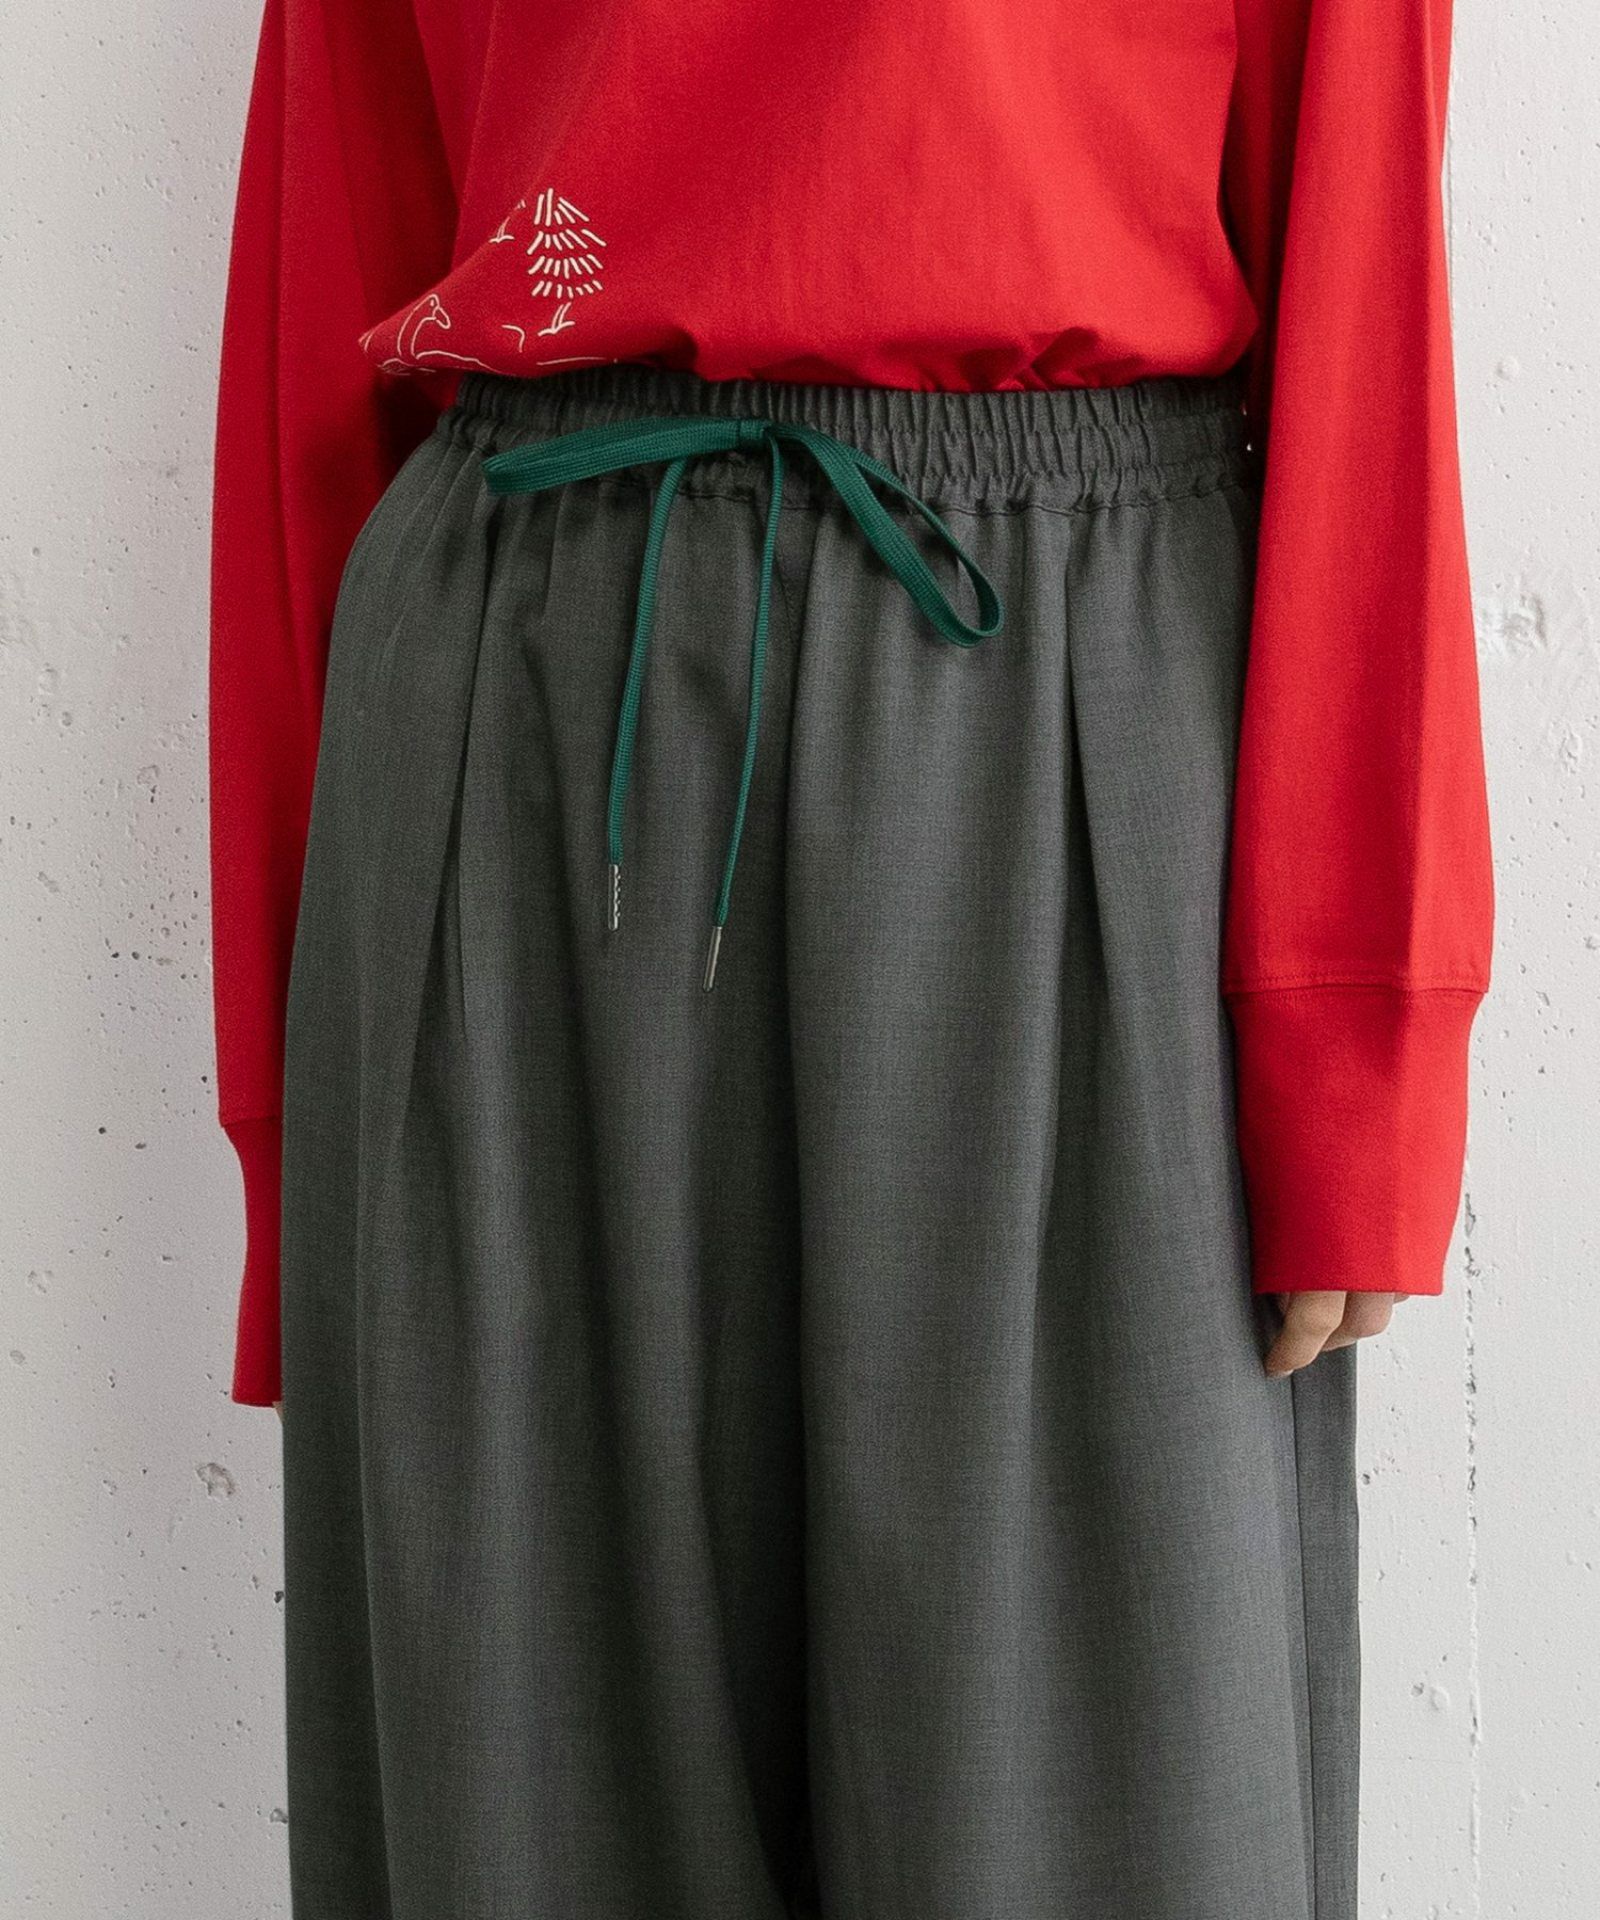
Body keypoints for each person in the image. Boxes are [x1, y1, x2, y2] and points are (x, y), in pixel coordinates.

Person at [208, 1, 1495, 1914]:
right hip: (526, 701)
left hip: (1064, 710)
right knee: (521, 1815)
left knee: (1096, 1824)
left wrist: (1355, 1036)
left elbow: (1363, 243)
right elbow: (334, 226)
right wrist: (292, 1126)